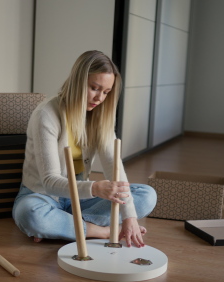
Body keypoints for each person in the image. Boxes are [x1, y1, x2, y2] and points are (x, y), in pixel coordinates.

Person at [12, 50, 157, 248]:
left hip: (79, 200)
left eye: (106, 92)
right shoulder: (46, 114)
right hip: (43, 195)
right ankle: (100, 230)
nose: (99, 98)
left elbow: (114, 168)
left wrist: (130, 218)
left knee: (147, 195)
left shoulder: (100, 116)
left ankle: (65, 227)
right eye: (94, 88)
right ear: (78, 82)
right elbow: (49, 182)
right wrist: (96, 188)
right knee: (30, 214)